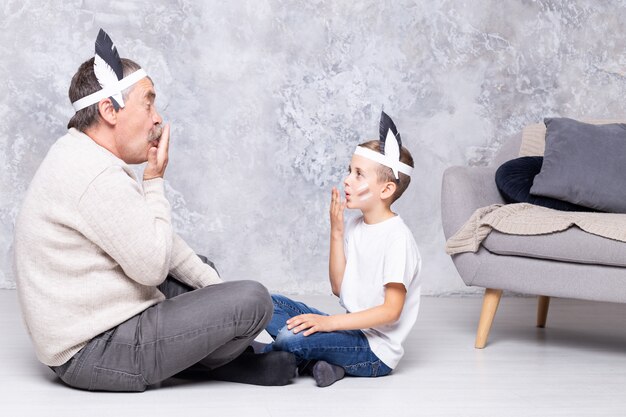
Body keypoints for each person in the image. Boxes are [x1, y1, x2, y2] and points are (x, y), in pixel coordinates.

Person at [12, 29, 296, 392]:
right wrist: (154, 179)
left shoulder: (83, 153)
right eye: (148, 104)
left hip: (96, 319)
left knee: (201, 270)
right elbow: (150, 267)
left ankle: (205, 356)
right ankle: (213, 362)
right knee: (252, 300)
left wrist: (215, 291)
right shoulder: (95, 174)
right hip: (92, 350)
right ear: (108, 110)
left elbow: (156, 241)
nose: (157, 119)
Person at [262, 111, 422, 387]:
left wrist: (328, 324)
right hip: (349, 330)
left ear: (386, 190)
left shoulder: (398, 239)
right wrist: (336, 231)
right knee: (263, 303)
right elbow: (339, 288)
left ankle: (262, 358)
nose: (347, 180)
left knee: (292, 338)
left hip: (374, 351)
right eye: (350, 171)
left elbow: (390, 311)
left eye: (359, 174)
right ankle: (329, 365)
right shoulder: (356, 225)